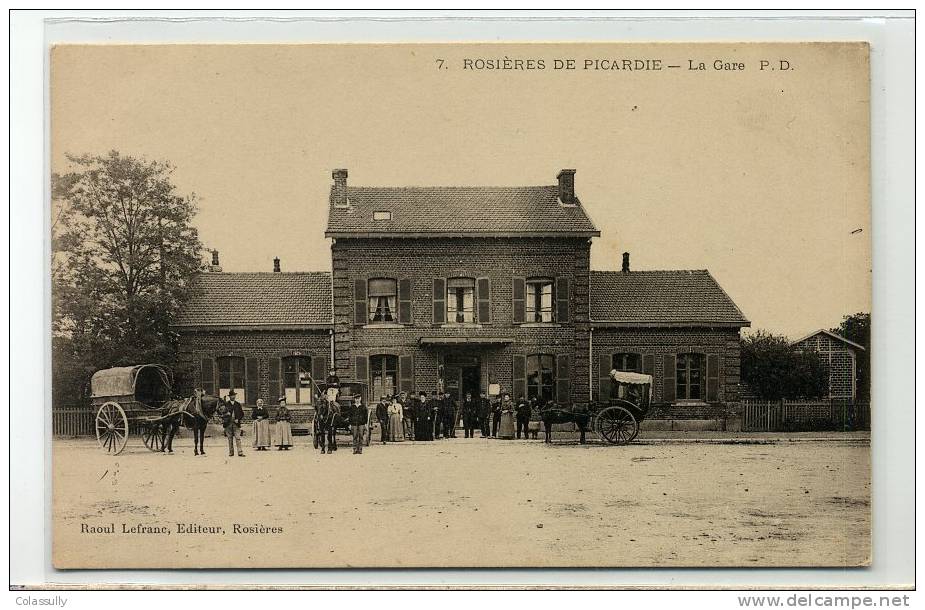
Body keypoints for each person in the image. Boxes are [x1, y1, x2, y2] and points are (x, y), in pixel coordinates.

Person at [220, 391, 245, 457]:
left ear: (235, 396)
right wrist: (226, 415)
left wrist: (238, 419)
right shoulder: (226, 404)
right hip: (228, 424)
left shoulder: (238, 404)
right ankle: (231, 452)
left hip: (236, 424)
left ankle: (240, 452)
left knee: (238, 438)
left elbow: (242, 414)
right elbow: (222, 414)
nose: (233, 397)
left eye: (234, 395)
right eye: (231, 396)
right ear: (229, 397)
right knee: (230, 438)